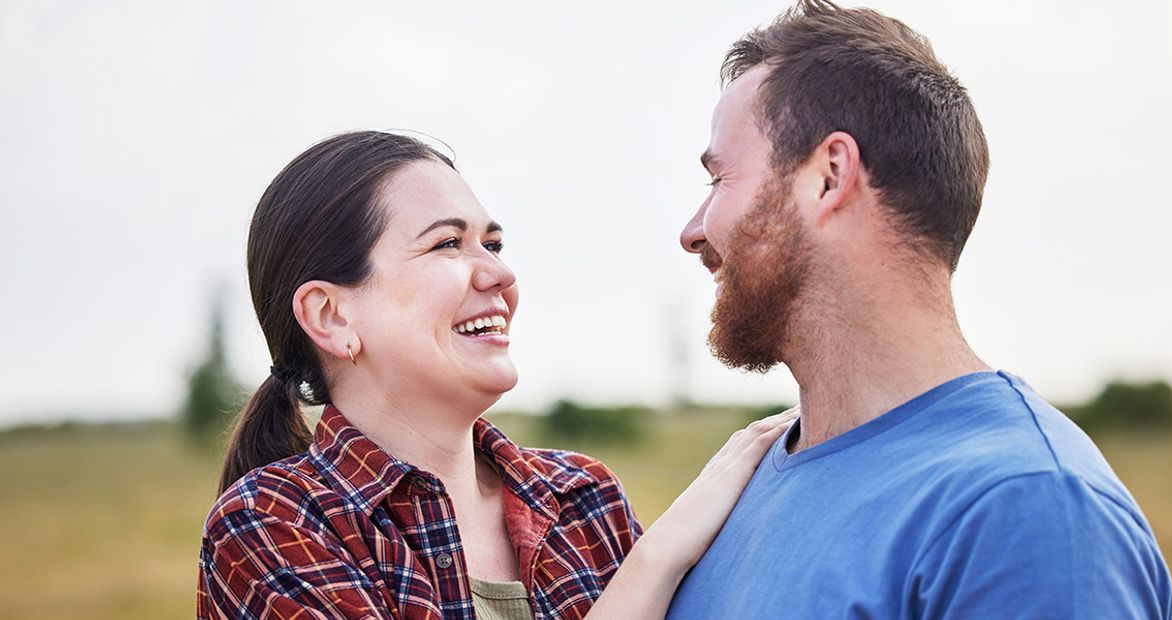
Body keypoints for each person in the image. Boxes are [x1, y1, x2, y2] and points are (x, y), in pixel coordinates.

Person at [667, 2, 1172, 618]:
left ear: (830, 176)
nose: (693, 232)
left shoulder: (1027, 513)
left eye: (718, 180)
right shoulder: (743, 480)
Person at [196, 131, 796, 619]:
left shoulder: (583, 499)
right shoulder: (272, 526)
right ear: (331, 315)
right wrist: (657, 558)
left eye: (494, 243)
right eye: (447, 245)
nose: (499, 276)